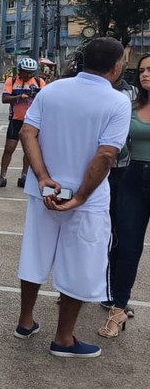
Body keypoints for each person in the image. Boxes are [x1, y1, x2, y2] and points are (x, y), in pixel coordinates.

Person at [15, 37, 130, 358]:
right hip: (86, 200)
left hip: (46, 192)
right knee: (80, 263)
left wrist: (42, 177)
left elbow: (28, 132)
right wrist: (79, 197)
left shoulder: (52, 90)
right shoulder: (117, 102)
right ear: (117, 66)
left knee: (34, 254)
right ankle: (64, 339)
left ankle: (25, 322)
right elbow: (106, 155)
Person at [101, 53, 150, 338]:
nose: (145, 74)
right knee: (127, 246)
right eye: (142, 70)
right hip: (131, 178)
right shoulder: (129, 106)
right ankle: (118, 309)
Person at [0, 58, 46, 189]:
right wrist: (18, 97)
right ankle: (2, 176)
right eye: (25, 72)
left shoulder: (39, 82)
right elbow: (4, 99)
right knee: (9, 148)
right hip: (16, 119)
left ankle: (24, 175)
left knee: (29, 150)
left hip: (32, 122)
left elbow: (46, 99)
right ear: (19, 71)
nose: (28, 75)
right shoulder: (12, 81)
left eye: (31, 73)